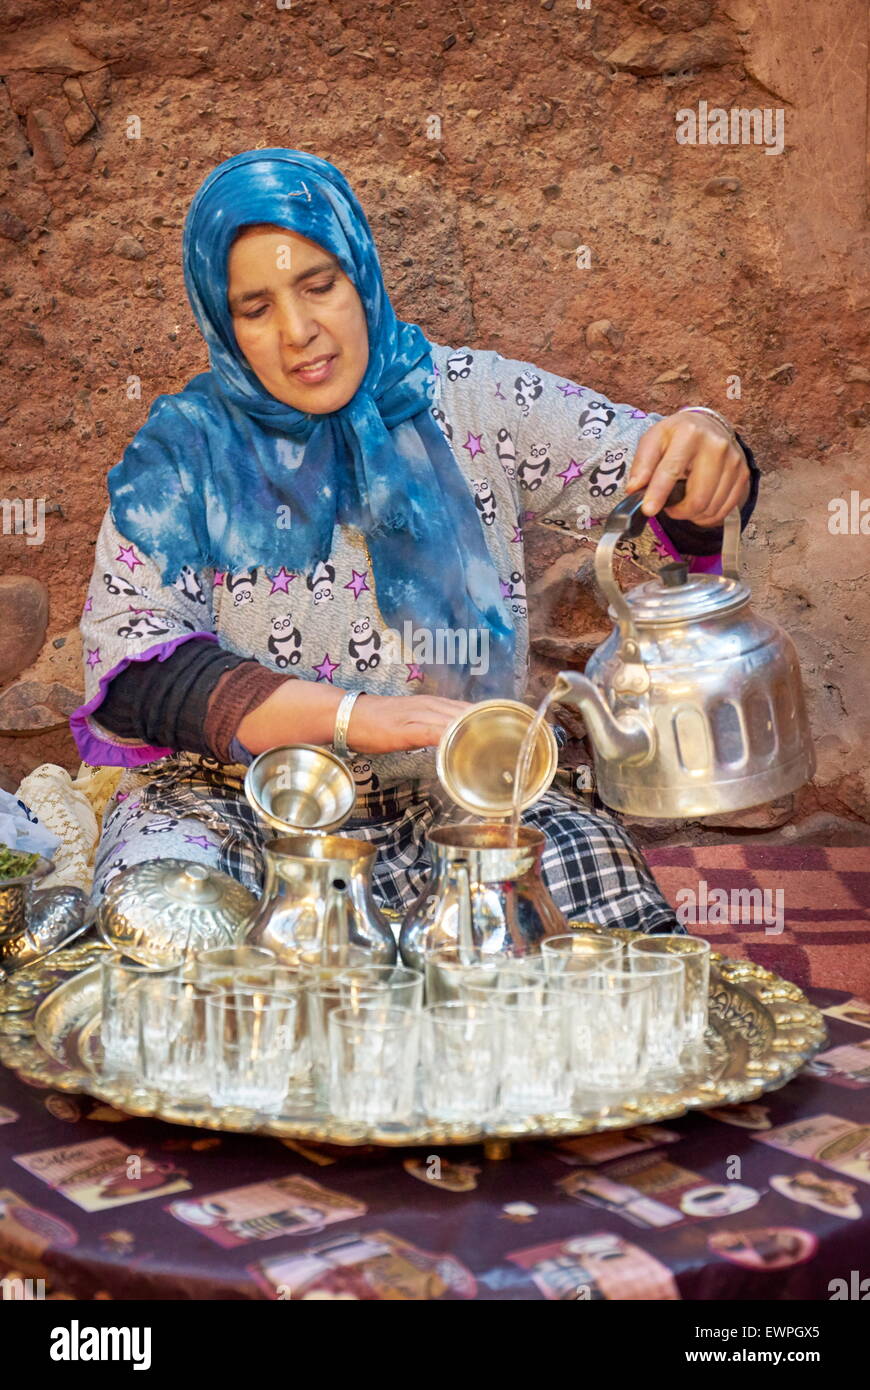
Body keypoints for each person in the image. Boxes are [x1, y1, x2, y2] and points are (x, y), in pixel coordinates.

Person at [71, 149, 760, 933]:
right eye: (255, 308)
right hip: (239, 799)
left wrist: (707, 445)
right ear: (222, 322)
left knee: (594, 920)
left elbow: (661, 483)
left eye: (320, 284)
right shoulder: (183, 454)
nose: (300, 333)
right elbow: (138, 670)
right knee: (163, 925)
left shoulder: (475, 402)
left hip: (465, 793)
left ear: (360, 273)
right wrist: (355, 719)